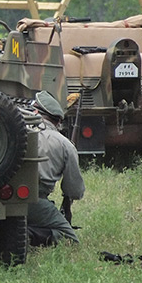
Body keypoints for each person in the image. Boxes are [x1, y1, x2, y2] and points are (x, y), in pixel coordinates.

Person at [26, 91, 85, 247]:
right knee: (70, 240)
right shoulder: (64, 144)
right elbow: (75, 191)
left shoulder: (13, 131)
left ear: (36, 112)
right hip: (33, 199)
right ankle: (27, 235)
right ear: (59, 121)